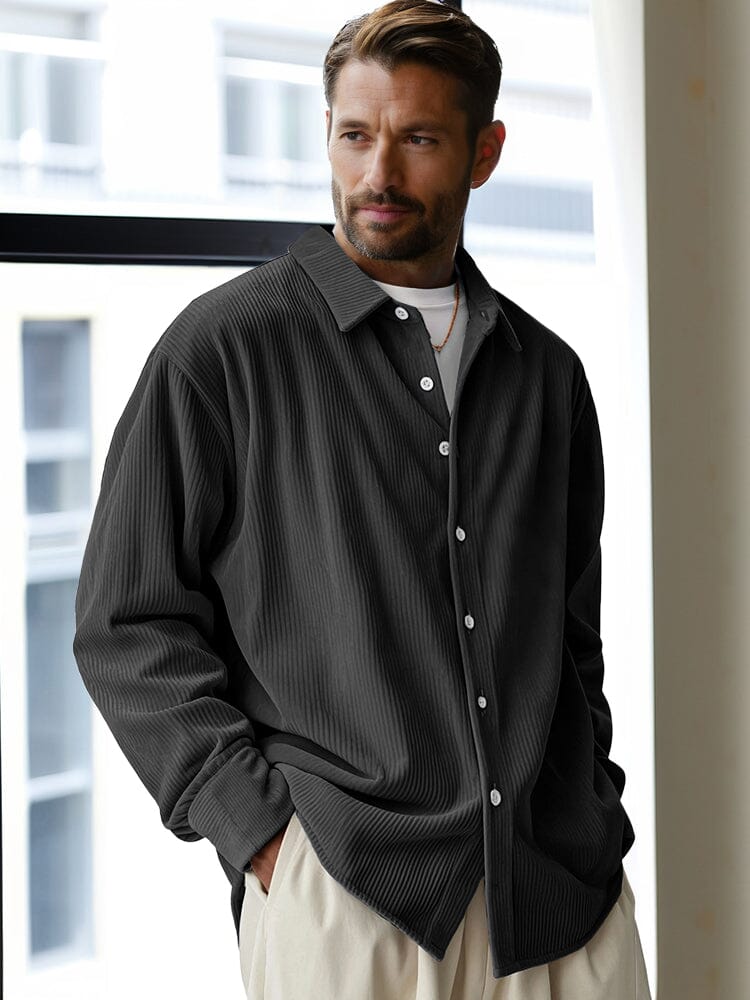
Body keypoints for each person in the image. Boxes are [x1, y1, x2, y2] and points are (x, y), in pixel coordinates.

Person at [73, 2, 652, 997]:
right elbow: (126, 623)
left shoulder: (547, 375)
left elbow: (570, 639)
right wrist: (262, 837)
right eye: (355, 135)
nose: (378, 172)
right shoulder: (225, 350)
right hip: (344, 894)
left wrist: (588, 795)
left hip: (560, 895)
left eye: (418, 139)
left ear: (484, 153)